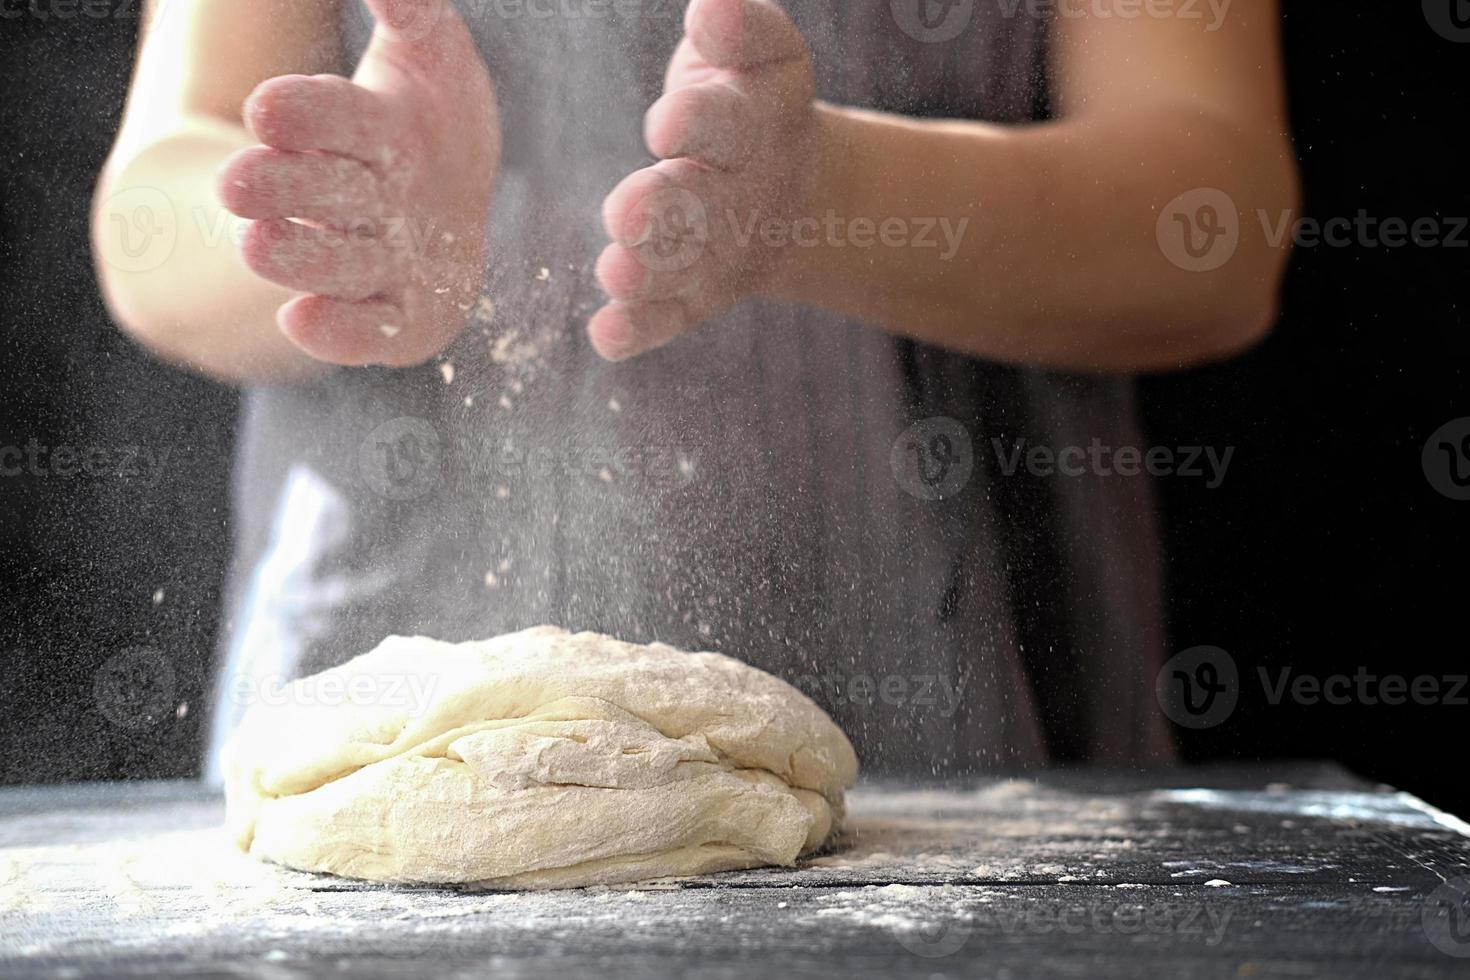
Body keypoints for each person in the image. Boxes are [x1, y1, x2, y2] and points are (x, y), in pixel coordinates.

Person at [92, 0, 1297, 780]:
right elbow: (151, 222)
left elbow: (1213, 232)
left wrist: (829, 198)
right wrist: (332, 225)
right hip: (371, 747)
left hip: (966, 747)